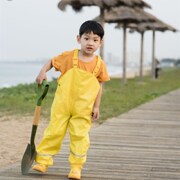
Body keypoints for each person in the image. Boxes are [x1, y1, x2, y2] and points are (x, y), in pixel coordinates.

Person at [32, 20, 110, 180]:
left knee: (80, 136)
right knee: (54, 131)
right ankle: (43, 161)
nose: (90, 43)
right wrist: (42, 72)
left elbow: (99, 86)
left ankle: (76, 167)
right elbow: (52, 62)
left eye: (95, 40)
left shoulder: (100, 65)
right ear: (78, 39)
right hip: (62, 105)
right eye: (86, 38)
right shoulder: (69, 57)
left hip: (83, 109)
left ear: (100, 43)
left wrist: (96, 107)